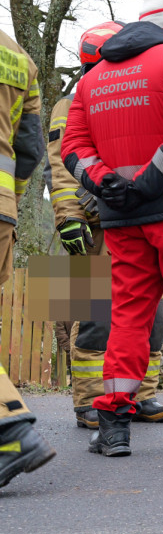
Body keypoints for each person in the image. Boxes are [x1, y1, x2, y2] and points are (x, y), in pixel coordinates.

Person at [61, 0, 163, 457]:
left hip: (119, 219)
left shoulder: (92, 80)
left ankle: (112, 427)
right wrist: (150, 184)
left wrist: (105, 184)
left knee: (127, 318)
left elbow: (72, 149)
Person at [46, 20, 163, 430]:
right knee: (90, 316)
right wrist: (67, 216)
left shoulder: (131, 94)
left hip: (130, 220)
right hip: (84, 227)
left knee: (150, 315)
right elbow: (60, 165)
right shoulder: (69, 106)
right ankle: (89, 400)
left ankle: (142, 395)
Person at [0, 29, 55, 487]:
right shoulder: (20, 57)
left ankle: (104, 411)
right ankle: (101, 412)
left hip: (73, 237)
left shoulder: (81, 103)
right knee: (92, 320)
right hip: (68, 236)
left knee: (89, 321)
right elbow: (35, 150)